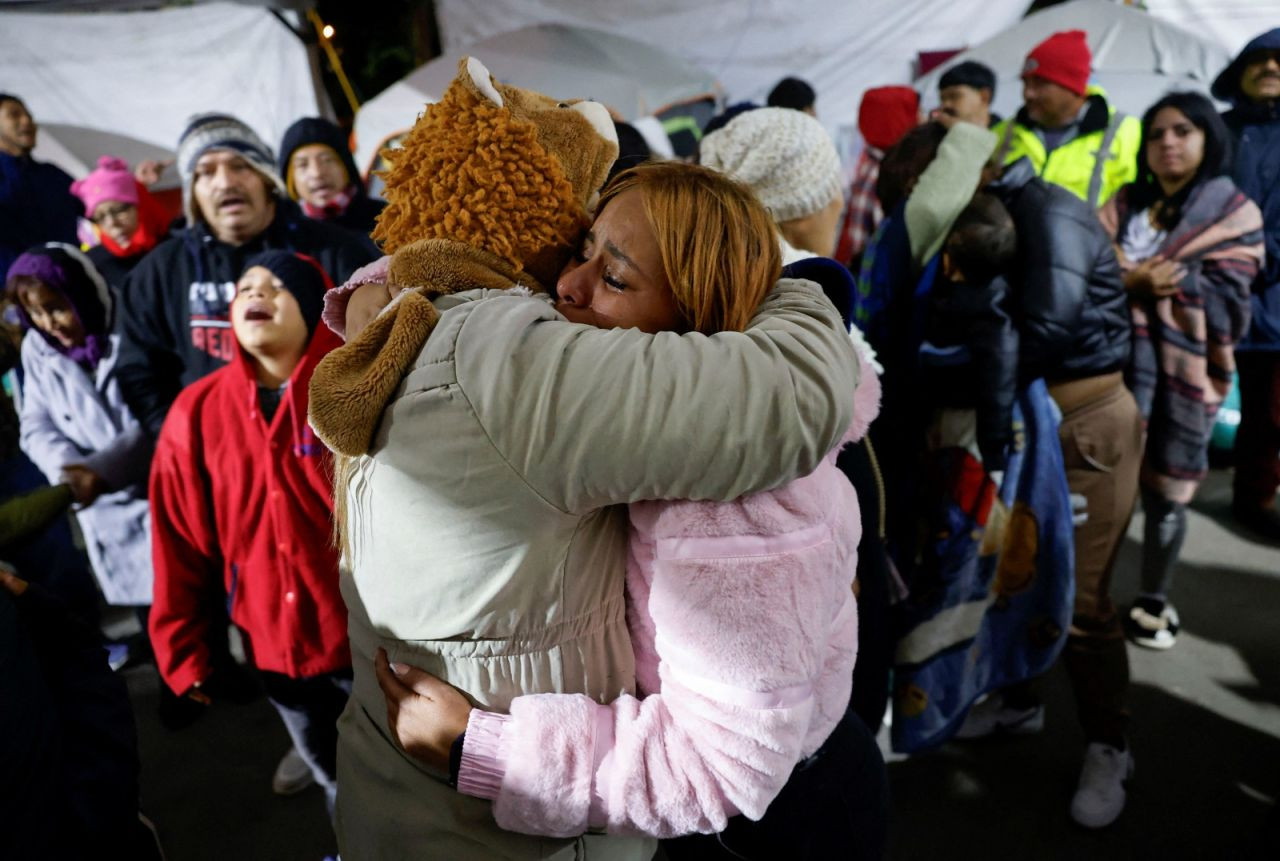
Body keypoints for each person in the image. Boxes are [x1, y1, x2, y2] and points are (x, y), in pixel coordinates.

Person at [323, 154, 859, 861]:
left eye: (615, 277)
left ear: (695, 326)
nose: (565, 289)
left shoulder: (737, 516)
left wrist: (485, 748)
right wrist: (382, 290)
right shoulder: (653, 437)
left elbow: (723, 767)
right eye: (581, 251)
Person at [955, 147, 1142, 830]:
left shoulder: (1051, 214)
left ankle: (1109, 744)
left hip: (1086, 425)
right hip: (1046, 418)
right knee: (1018, 572)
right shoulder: (1015, 210)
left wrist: (969, 326)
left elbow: (1045, 328)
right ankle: (1019, 700)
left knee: (1084, 599)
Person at [697, 105, 892, 730]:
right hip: (818, 595)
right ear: (802, 206)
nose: (841, 205)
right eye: (831, 190)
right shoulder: (788, 306)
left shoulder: (721, 280)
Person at [147, 251, 350, 814]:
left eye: (278, 287)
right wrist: (187, 650)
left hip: (365, 641)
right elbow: (179, 543)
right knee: (330, 772)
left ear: (314, 310)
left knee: (399, 779)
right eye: (246, 289)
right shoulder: (196, 411)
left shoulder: (350, 394)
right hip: (271, 647)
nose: (257, 295)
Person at [1096, 92, 1263, 648]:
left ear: (1207, 139)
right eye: (1157, 133)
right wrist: (1132, 280)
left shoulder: (1232, 212)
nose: (1167, 142)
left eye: (1183, 131)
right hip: (1112, 374)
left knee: (1167, 496)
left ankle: (1152, 600)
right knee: (1104, 490)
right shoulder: (1122, 204)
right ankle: (1088, 594)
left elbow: (1230, 300)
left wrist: (1156, 279)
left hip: (1183, 378)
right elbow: (1088, 269)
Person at [114, 112, 376, 438]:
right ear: (192, 192)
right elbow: (139, 372)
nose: (225, 182)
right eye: (206, 172)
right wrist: (187, 443)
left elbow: (375, 344)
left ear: (267, 179)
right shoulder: (158, 272)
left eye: (240, 166)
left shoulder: (332, 250)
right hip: (219, 464)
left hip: (328, 448)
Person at [8, 244, 153, 614]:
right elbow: (35, 422)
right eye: (35, 313)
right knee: (150, 619)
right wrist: (68, 468)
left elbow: (154, 420)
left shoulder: (132, 325)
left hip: (155, 494)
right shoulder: (38, 347)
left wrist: (99, 471)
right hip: (103, 513)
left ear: (80, 294)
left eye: (56, 307)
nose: (48, 323)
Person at [1213, 28, 1280, 540]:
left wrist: (1260, 256)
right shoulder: (1216, 130)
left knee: (1269, 411)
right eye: (1259, 60)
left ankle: (1254, 498)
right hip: (1210, 292)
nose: (1271, 68)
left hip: (1274, 298)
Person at [991, 30, 1141, 208]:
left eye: (1040, 83)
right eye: (1025, 83)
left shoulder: (1128, 133)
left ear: (1073, 86)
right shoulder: (1002, 132)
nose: (1028, 94)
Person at [835, 86, 921, 270]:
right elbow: (859, 241)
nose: (921, 119)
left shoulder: (870, 160)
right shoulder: (881, 173)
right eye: (915, 112)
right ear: (896, 119)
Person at [0, 94, 81, 277]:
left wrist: (131, 184)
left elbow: (96, 203)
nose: (27, 121)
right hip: (12, 293)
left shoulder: (52, 174)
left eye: (29, 115)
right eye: (14, 115)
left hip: (68, 284)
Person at [70, 156, 172, 291]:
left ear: (140, 206)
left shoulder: (174, 247)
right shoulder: (94, 264)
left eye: (118, 211)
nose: (112, 223)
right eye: (100, 217)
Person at [277, 117, 385, 239]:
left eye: (327, 160)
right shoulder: (285, 239)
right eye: (303, 165)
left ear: (346, 166)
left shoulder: (386, 218)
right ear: (290, 179)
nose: (317, 173)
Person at [938, 60, 1001, 128]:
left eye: (955, 96)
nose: (945, 105)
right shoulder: (932, 135)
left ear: (984, 97)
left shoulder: (1009, 135)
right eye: (942, 99)